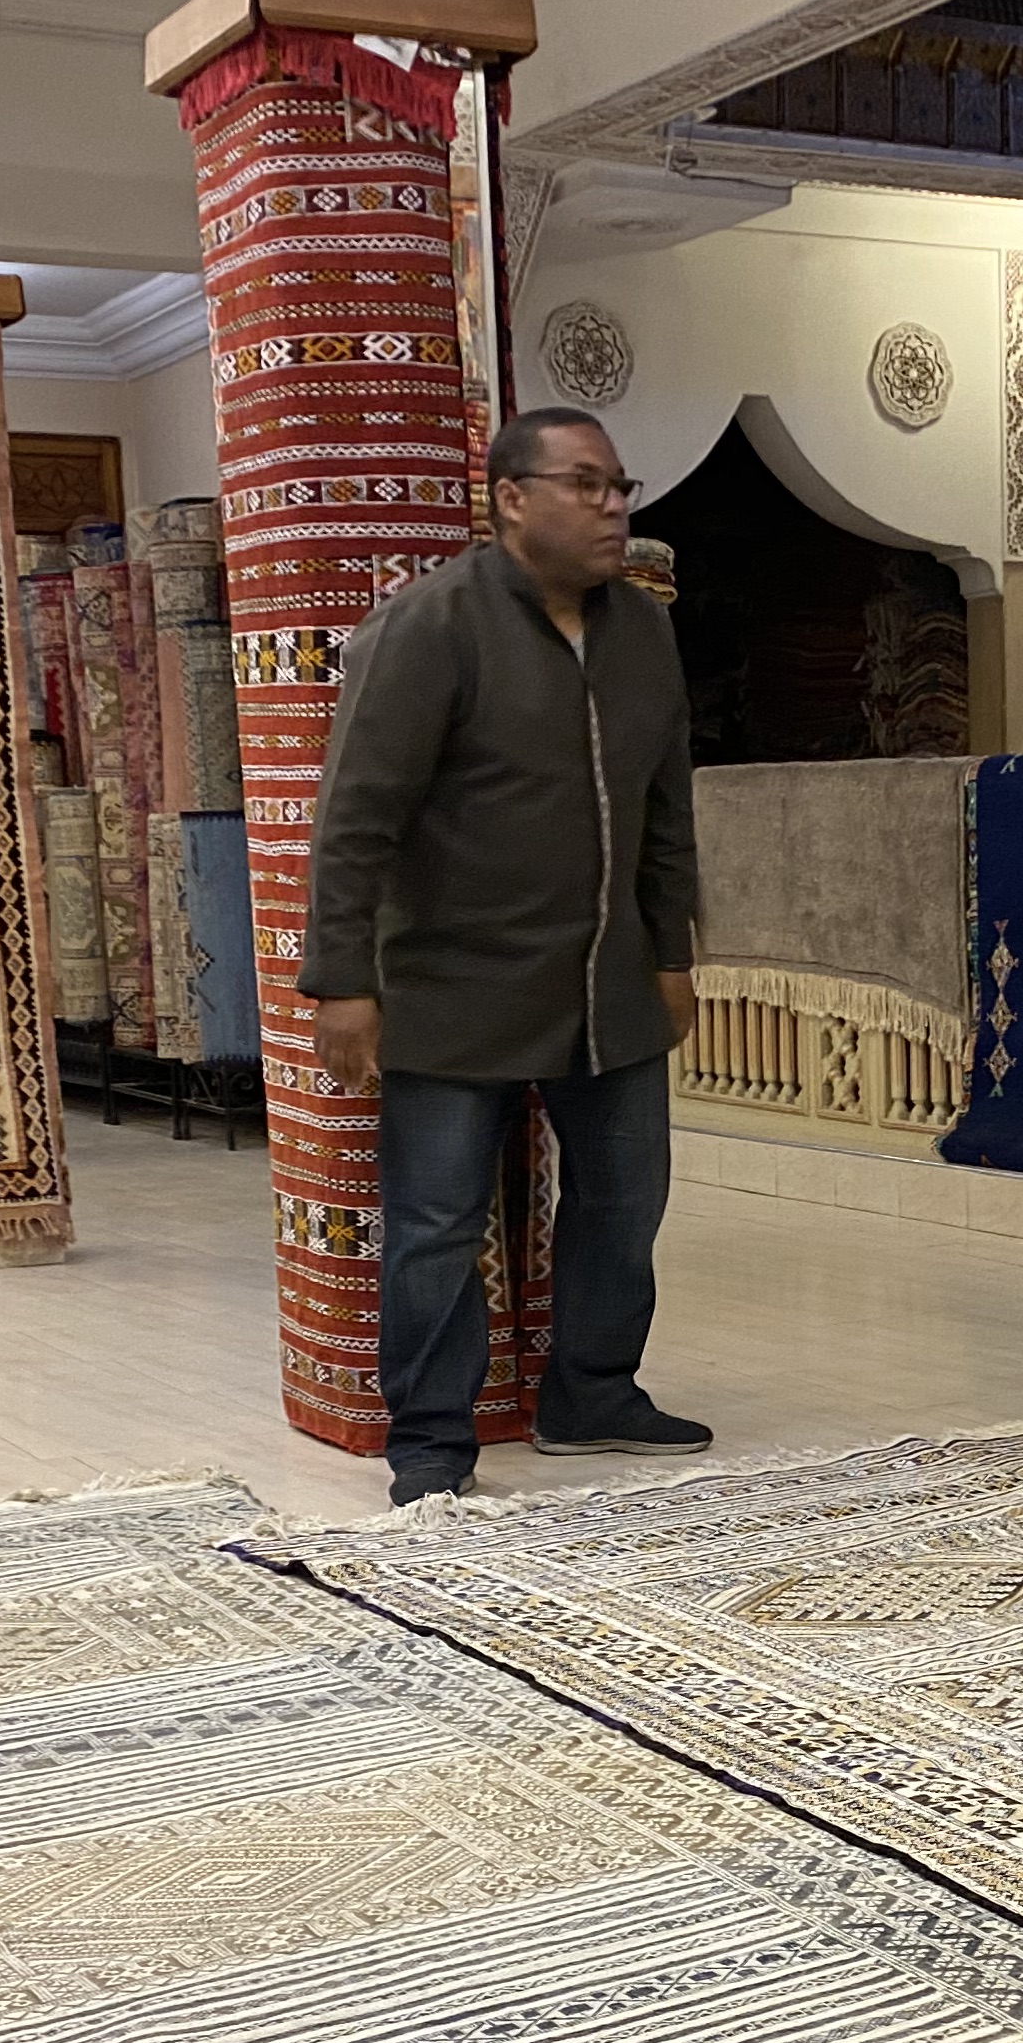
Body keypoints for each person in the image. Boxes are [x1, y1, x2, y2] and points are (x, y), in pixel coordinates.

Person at [301, 404, 706, 1507]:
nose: (612, 508)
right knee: (436, 1223)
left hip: (608, 982)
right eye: (586, 485)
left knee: (625, 1196)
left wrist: (672, 951)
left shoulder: (644, 631)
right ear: (512, 498)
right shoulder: (429, 625)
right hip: (452, 984)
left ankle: (591, 1394)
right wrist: (343, 981)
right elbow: (355, 818)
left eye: (619, 487)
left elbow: (667, 808)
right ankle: (432, 1440)